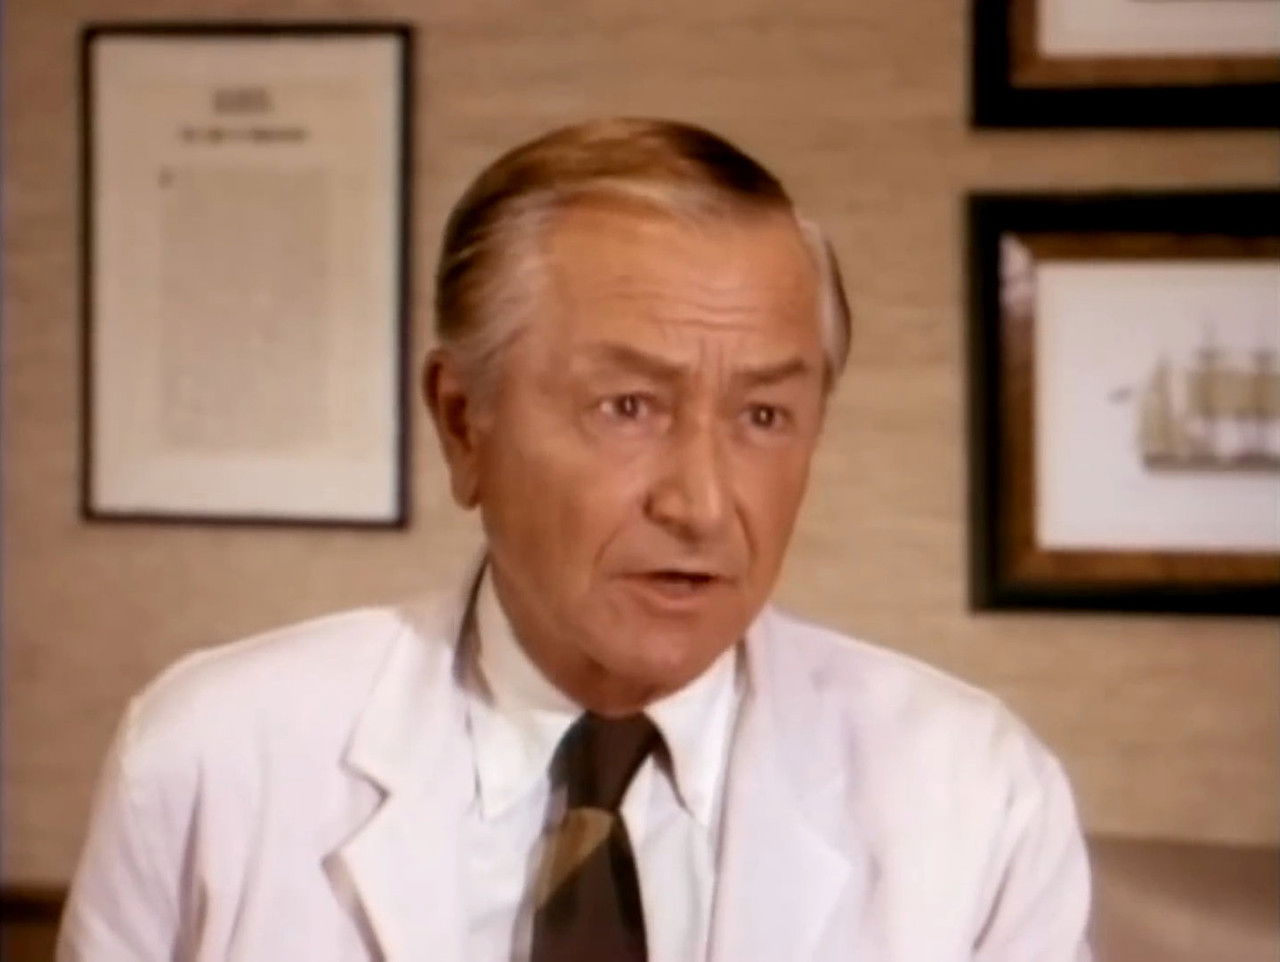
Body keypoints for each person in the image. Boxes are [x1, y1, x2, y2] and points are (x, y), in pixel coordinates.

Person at [58, 118, 1092, 962]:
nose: (701, 504)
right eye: (628, 406)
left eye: (763, 416)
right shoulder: (211, 756)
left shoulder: (974, 793)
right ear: (462, 421)